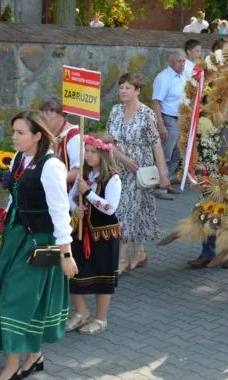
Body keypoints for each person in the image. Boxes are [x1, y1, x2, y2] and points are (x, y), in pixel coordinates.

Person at [0, 111, 78, 380]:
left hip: (39, 242)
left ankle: (12, 364)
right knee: (22, 298)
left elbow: (60, 211)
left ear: (37, 136)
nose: (14, 137)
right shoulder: (20, 159)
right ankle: (33, 356)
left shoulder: (51, 166)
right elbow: (16, 200)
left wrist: (66, 254)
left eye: (20, 133)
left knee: (14, 300)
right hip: (17, 237)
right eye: (13, 131)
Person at [107, 73, 169, 273]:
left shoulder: (146, 113)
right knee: (134, 212)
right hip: (119, 168)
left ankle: (122, 259)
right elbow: (108, 141)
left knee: (126, 212)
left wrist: (163, 173)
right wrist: (122, 158)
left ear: (137, 91)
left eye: (128, 88)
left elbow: (156, 143)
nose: (123, 91)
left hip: (140, 169)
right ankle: (140, 253)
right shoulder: (115, 111)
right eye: (121, 87)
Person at [66, 133, 121, 335]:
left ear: (103, 155)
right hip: (81, 231)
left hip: (103, 235)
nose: (88, 156)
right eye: (86, 152)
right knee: (75, 272)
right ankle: (81, 312)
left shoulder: (112, 178)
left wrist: (87, 193)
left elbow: (110, 208)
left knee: (102, 278)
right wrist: (75, 209)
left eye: (92, 152)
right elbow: (70, 197)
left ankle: (101, 318)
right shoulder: (84, 174)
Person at [152, 49, 188, 200]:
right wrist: (160, 125)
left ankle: (166, 182)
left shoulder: (184, 75)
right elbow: (156, 102)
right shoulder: (163, 78)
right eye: (179, 61)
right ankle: (159, 187)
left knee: (177, 155)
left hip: (181, 118)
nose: (182, 64)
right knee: (165, 155)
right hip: (168, 118)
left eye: (184, 61)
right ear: (171, 62)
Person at [40, 97, 80, 186]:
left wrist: (53, 180)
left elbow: (79, 171)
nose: (44, 117)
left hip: (67, 194)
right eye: (43, 112)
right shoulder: (45, 135)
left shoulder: (74, 137)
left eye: (49, 113)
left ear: (62, 115)